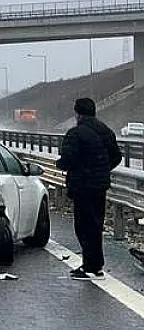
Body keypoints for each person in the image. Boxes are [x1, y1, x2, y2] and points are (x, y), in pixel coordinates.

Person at [56, 97, 122, 279]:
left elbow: (68, 160)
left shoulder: (75, 134)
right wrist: (101, 170)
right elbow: (116, 156)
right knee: (95, 224)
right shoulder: (105, 131)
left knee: (84, 226)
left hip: (83, 186)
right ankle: (94, 265)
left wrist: (60, 164)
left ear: (77, 113)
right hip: (100, 185)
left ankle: (91, 266)